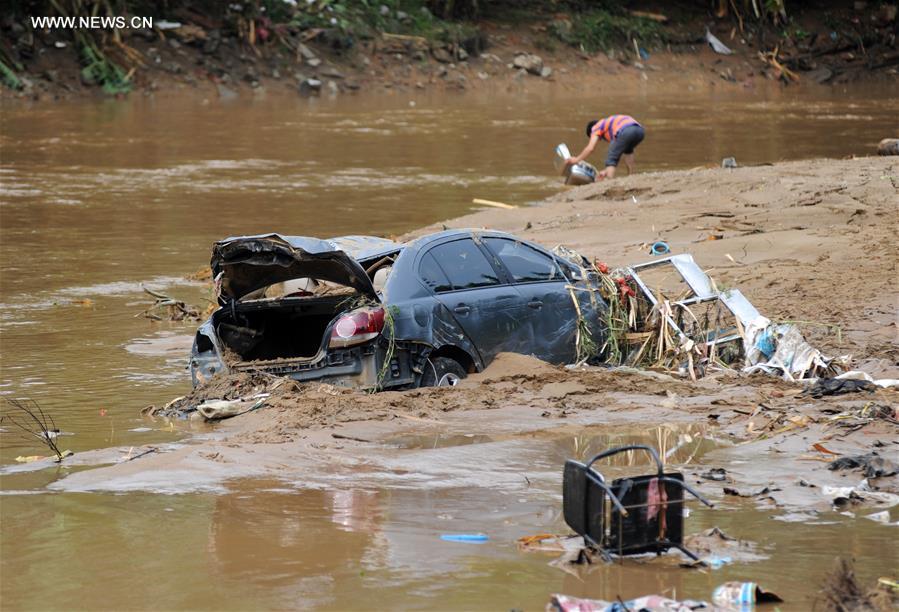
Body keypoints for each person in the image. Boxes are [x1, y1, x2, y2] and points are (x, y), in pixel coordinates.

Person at [566, 114, 645, 180]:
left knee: (611, 157)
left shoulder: (596, 127)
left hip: (626, 130)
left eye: (598, 138)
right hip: (640, 131)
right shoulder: (608, 124)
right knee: (628, 150)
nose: (600, 140)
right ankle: (630, 177)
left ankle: (609, 182)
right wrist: (606, 170)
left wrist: (576, 160)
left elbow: (590, 148)